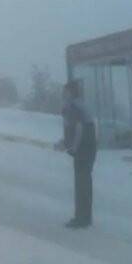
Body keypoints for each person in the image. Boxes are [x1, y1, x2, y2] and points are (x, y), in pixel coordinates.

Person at [54, 80, 97, 228]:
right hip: (88, 147)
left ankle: (81, 219)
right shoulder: (78, 105)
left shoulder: (73, 107)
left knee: (81, 184)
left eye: (65, 91)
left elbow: (79, 128)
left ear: (71, 93)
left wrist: (73, 147)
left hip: (83, 149)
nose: (63, 94)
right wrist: (65, 143)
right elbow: (72, 130)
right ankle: (85, 217)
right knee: (84, 182)